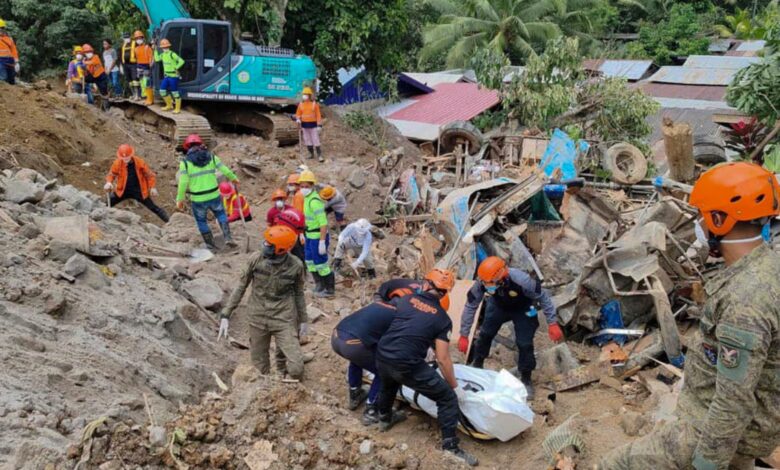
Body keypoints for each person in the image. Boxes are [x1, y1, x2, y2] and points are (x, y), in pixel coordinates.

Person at [599, 162, 780, 470]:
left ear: (720, 220)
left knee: (613, 464)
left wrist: (706, 465)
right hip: (749, 427)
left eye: (702, 216)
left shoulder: (744, 300)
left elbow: (732, 402)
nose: (700, 223)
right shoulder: (767, 266)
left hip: (713, 430)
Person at [374, 269, 477, 466]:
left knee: (388, 384)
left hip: (383, 353)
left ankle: (384, 418)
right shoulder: (442, 319)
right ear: (444, 293)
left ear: (427, 284)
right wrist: (454, 386)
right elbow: (443, 359)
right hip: (406, 363)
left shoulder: (406, 300)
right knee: (446, 398)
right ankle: (450, 447)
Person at [458, 256, 561, 399]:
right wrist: (464, 334)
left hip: (523, 308)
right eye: (485, 283)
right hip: (498, 305)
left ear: (501, 275)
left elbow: (543, 297)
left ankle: (526, 378)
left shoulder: (522, 280)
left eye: (490, 283)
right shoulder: (483, 282)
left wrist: (552, 322)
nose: (487, 286)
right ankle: (478, 363)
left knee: (524, 343)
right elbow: (471, 305)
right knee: (485, 334)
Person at [219, 225, 308, 380]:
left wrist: (303, 320)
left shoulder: (296, 266)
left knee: (296, 368)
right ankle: (266, 386)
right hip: (257, 317)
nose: (264, 245)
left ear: (281, 249)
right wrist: (226, 313)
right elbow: (241, 287)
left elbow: (299, 294)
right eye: (266, 242)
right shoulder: (256, 259)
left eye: (269, 244)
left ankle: (282, 371)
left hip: (283, 317)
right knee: (259, 368)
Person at [332, 301, 397, 424]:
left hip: (336, 336)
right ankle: (372, 409)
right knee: (384, 371)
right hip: (353, 345)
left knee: (358, 359)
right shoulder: (399, 316)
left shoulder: (378, 305)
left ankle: (355, 393)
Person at [176, 133, 239, 250]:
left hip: (198, 199)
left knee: (201, 221)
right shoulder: (212, 157)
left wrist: (180, 199)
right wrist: (234, 179)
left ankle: (211, 246)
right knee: (221, 214)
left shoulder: (185, 163)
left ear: (187, 147)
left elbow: (183, 182)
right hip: (214, 195)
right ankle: (228, 238)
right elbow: (224, 169)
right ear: (201, 144)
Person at [104, 144, 169, 222]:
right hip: (122, 190)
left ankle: (169, 221)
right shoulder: (117, 163)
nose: (125, 159)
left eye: (127, 157)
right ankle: (99, 216)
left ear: (131, 155)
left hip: (139, 191)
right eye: (123, 158)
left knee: (153, 207)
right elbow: (111, 174)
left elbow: (150, 175)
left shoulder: (139, 162)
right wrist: (109, 182)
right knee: (107, 203)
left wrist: (152, 187)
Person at [299, 170, 335, 297]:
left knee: (321, 263)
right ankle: (319, 285)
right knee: (309, 261)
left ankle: (329, 289)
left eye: (306, 187)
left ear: (312, 186)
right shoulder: (307, 199)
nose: (303, 189)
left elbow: (323, 223)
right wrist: (302, 232)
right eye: (302, 186)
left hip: (317, 237)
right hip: (309, 236)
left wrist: (321, 242)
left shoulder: (314, 201)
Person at [153, 38, 184, 113]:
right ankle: (169, 105)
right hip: (167, 76)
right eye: (163, 47)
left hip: (173, 76)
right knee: (162, 91)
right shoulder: (163, 55)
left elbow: (181, 61)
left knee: (175, 93)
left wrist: (176, 67)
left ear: (169, 47)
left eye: (166, 47)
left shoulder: (172, 54)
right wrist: (155, 50)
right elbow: (157, 59)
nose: (165, 48)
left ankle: (177, 109)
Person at [294, 87, 323, 162]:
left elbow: (318, 115)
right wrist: (298, 119)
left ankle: (319, 155)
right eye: (304, 94)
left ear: (310, 96)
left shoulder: (314, 104)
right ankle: (311, 154)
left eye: (306, 94)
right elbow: (298, 114)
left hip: (313, 126)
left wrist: (319, 125)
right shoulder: (301, 105)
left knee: (315, 139)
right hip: (304, 125)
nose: (304, 96)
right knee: (307, 140)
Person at [132, 30, 154, 105]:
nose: (138, 39)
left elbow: (151, 56)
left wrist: (151, 63)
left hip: (146, 66)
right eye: (137, 38)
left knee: (146, 82)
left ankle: (149, 98)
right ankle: (145, 97)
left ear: (143, 38)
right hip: (139, 66)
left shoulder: (147, 47)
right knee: (142, 83)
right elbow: (136, 58)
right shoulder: (136, 49)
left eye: (139, 38)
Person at [119, 32, 138, 99]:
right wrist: (121, 65)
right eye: (125, 38)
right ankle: (133, 94)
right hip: (125, 65)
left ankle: (137, 95)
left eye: (127, 37)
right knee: (129, 80)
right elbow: (121, 56)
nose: (126, 39)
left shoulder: (135, 43)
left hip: (133, 64)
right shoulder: (123, 45)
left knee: (135, 79)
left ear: (130, 37)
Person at [0, 19, 20, 85]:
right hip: (1, 62)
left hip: (10, 62)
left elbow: (14, 51)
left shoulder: (9, 39)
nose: (0, 29)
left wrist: (16, 62)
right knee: (3, 79)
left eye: (2, 28)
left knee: (11, 80)